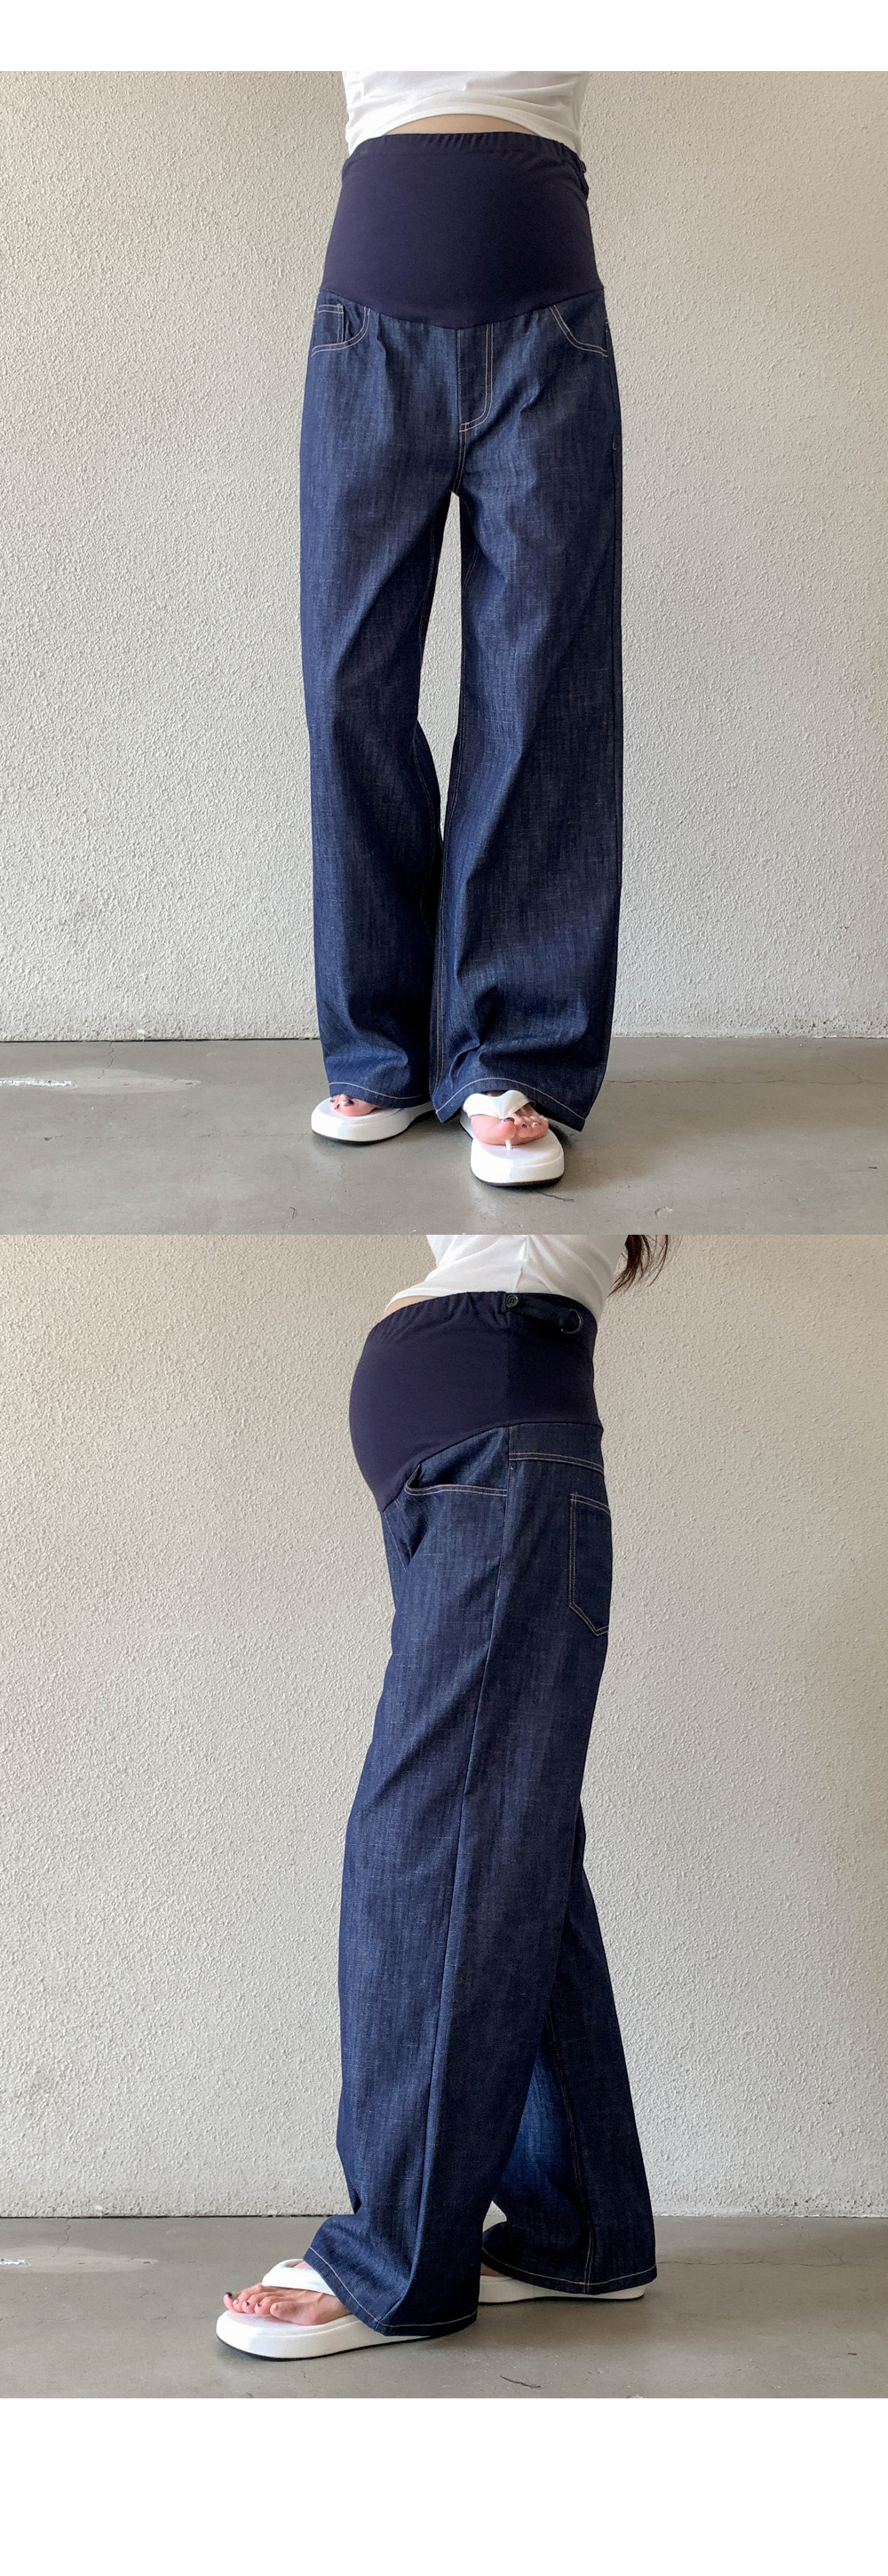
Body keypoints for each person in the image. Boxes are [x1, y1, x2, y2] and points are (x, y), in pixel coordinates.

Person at [218, 1231, 666, 2360]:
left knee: (434, 1844)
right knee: (508, 1848)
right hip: (480, 1459)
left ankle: (397, 2258)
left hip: (498, 1452)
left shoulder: (546, 1164)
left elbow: (505, 1145)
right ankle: (580, 2231)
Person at [303, 73, 623, 1189]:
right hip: (365, 336)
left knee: (539, 694)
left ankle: (510, 1055)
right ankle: (377, 1050)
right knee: (349, 689)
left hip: (551, 337)